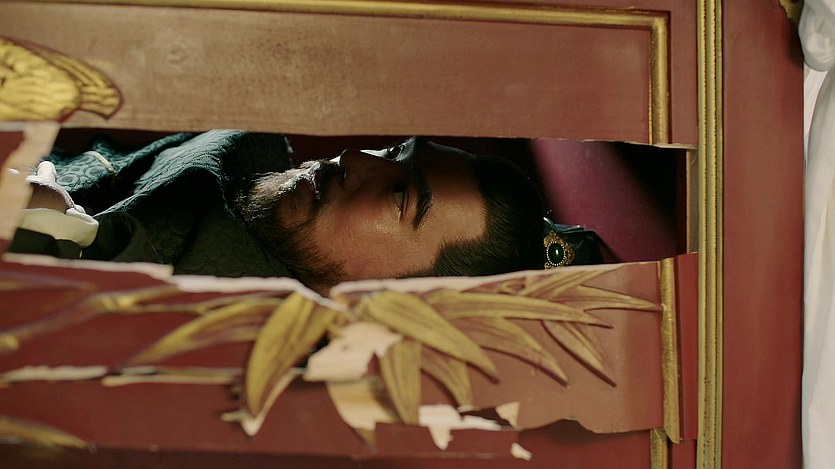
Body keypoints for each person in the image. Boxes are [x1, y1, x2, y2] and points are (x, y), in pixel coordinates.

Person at [9, 130, 549, 294]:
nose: (356, 158)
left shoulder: (210, 331)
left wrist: (39, 222)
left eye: (399, 197)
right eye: (393, 152)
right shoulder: (244, 149)